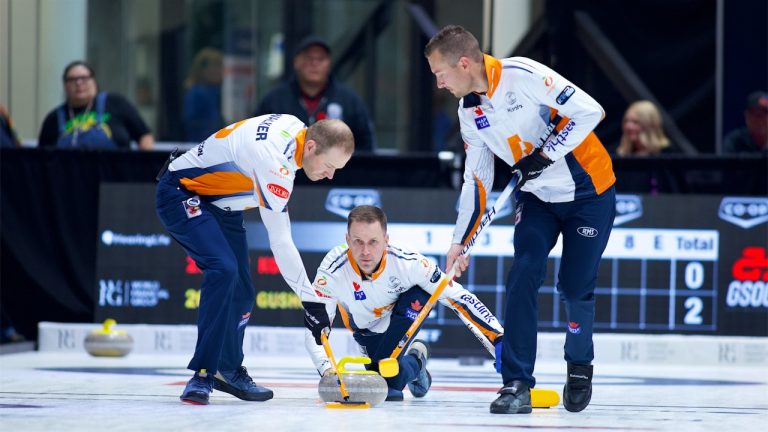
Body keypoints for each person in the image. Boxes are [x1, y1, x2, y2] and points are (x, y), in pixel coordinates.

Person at [425, 25, 616, 414]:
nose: (440, 83)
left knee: (575, 287)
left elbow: (589, 111)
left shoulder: (523, 75)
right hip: (536, 197)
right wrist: (458, 242)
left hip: (588, 193)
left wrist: (543, 156)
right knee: (523, 273)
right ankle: (516, 382)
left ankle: (579, 363)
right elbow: (476, 180)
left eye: (441, 73)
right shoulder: (469, 111)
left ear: (464, 63)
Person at [156, 115, 354, 405]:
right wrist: (310, 301)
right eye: (329, 166)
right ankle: (202, 374)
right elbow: (281, 240)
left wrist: (309, 299)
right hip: (182, 192)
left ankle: (228, 369)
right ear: (311, 147)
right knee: (223, 269)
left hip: (223, 203)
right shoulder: (274, 163)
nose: (330, 175)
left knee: (243, 293)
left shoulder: (294, 126)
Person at [302, 205, 504, 401]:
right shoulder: (332, 270)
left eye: (373, 242)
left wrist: (499, 338)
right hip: (366, 330)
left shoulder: (409, 262)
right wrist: (326, 370)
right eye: (357, 242)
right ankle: (417, 360)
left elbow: (458, 297)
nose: (365, 251)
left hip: (405, 312)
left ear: (386, 240)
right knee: (387, 386)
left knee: (385, 382)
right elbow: (316, 326)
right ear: (347, 239)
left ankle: (399, 364)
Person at [254, 36, 376, 152]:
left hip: (336, 172)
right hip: (285, 171)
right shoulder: (274, 100)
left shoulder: (350, 101)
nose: (314, 63)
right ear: (296, 62)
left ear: (329, 63)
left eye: (321, 59)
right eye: (308, 58)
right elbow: (256, 140)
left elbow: (366, 147)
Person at [38, 61, 154, 150]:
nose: (79, 83)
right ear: (64, 85)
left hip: (113, 180)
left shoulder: (116, 103)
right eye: (72, 79)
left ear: (94, 81)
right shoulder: (53, 119)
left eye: (84, 78)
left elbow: (145, 137)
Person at [183, 48, 226, 142]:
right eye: (216, 66)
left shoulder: (217, 92)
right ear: (203, 70)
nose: (220, 71)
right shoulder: (197, 93)